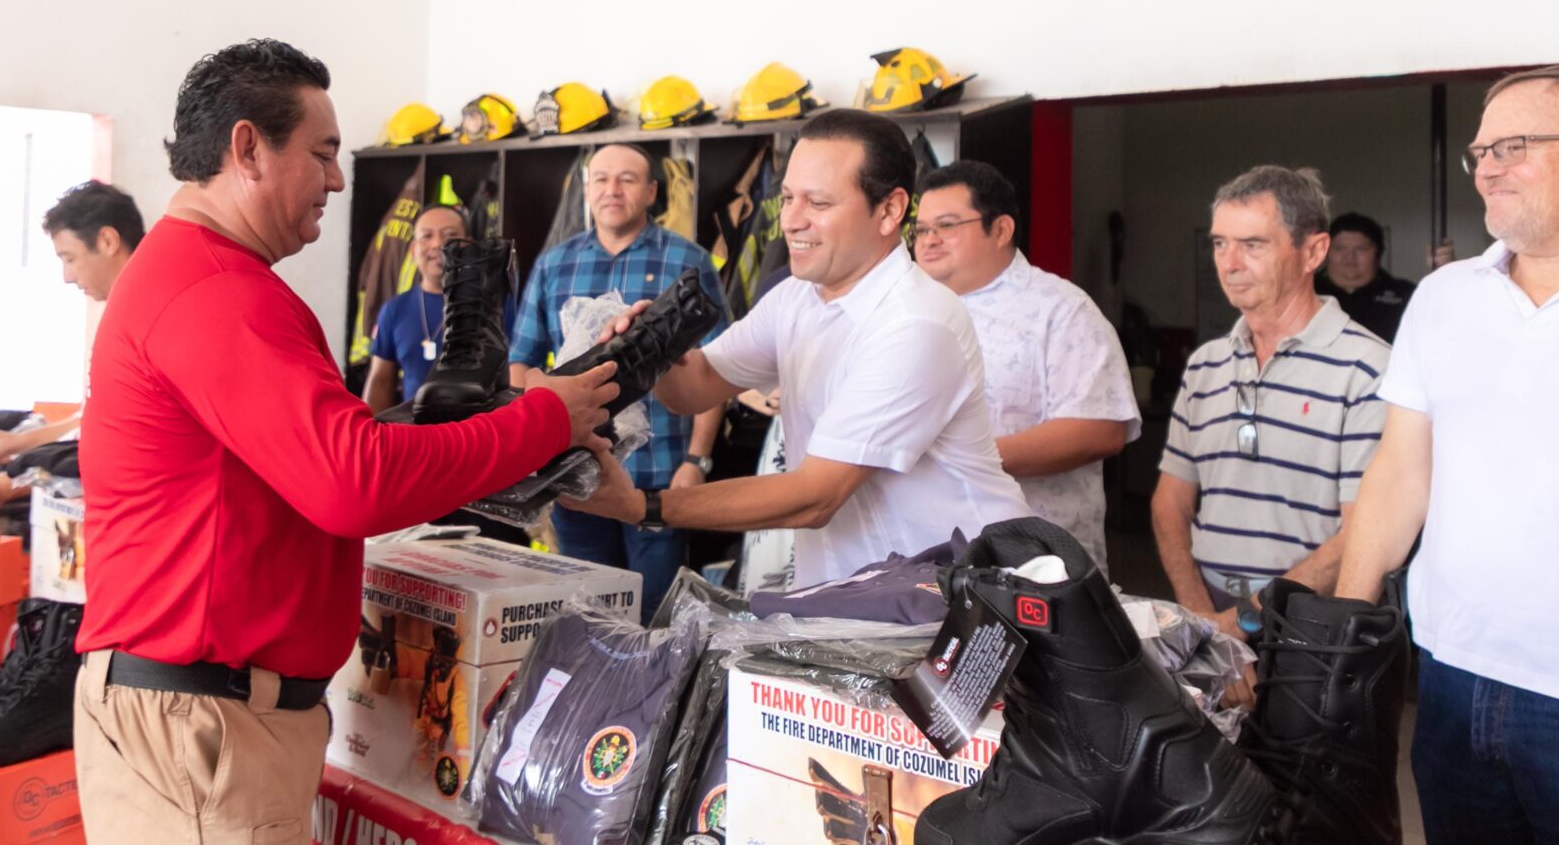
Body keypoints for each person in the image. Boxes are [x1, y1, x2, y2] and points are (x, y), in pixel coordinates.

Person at [73, 39, 618, 841]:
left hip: (206, 715)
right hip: (202, 727)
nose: (336, 179)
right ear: (248, 149)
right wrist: (543, 421)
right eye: (322, 153)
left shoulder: (197, 276)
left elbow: (307, 456)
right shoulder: (216, 290)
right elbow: (353, 482)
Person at [1337, 66, 1559, 834]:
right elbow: (1400, 475)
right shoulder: (1445, 297)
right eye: (1480, 152)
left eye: (1513, 146)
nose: (1486, 169)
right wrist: (1341, 636)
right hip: (1453, 688)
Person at [564, 110, 1029, 587]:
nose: (791, 220)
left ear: (890, 211)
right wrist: (654, 349)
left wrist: (644, 506)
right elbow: (695, 387)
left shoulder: (915, 323)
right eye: (787, 198)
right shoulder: (796, 297)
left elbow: (816, 497)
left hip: (955, 594)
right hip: (855, 594)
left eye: (818, 202)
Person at [1152, 165, 1387, 639]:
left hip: (1312, 622)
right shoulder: (1205, 365)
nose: (1230, 263)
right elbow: (1169, 502)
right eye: (1220, 243)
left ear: (1313, 252)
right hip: (1209, 611)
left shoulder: (1368, 369)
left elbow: (1364, 534)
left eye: (1253, 245)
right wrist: (1202, 619)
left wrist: (1244, 621)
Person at [507, 142, 727, 615]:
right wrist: (536, 442)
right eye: (601, 179)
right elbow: (521, 362)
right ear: (586, 189)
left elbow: (716, 370)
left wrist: (697, 460)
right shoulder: (553, 264)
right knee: (587, 614)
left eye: (627, 180)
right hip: (574, 471)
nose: (612, 190)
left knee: (654, 615)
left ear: (651, 192)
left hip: (660, 475)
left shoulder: (689, 261)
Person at [913, 160, 1140, 573]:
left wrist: (960, 459)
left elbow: (1100, 429)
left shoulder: (1061, 310)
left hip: (1033, 567)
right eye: (921, 229)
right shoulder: (908, 312)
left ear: (1001, 230)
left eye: (946, 226)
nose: (929, 241)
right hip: (924, 559)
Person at [0, 181, 146, 514]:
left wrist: (7, 484)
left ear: (108, 241)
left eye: (70, 258)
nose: (67, 276)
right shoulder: (125, 311)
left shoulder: (146, 319)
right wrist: (17, 442)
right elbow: (95, 419)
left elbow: (122, 443)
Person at [364, 205, 511, 413]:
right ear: (413, 250)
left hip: (476, 424)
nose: (438, 244)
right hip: (413, 427)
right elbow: (381, 381)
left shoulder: (495, 305)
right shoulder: (394, 309)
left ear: (469, 246)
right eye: (427, 236)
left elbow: (515, 369)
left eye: (450, 236)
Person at [1314, 211, 1418, 342]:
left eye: (1361, 249)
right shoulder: (1306, 291)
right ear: (1325, 251)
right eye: (1340, 248)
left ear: (1378, 252)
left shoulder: (1406, 294)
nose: (1350, 257)